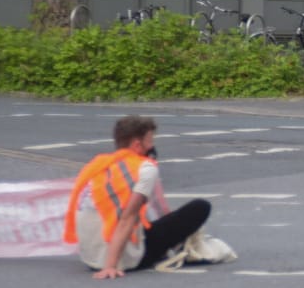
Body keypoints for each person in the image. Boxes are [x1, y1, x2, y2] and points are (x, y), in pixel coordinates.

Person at [64, 115, 213, 279]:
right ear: (137, 144)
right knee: (200, 207)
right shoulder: (145, 168)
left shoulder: (98, 165)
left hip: (90, 258)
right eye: (150, 140)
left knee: (150, 220)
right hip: (127, 259)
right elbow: (127, 219)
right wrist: (110, 266)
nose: (153, 145)